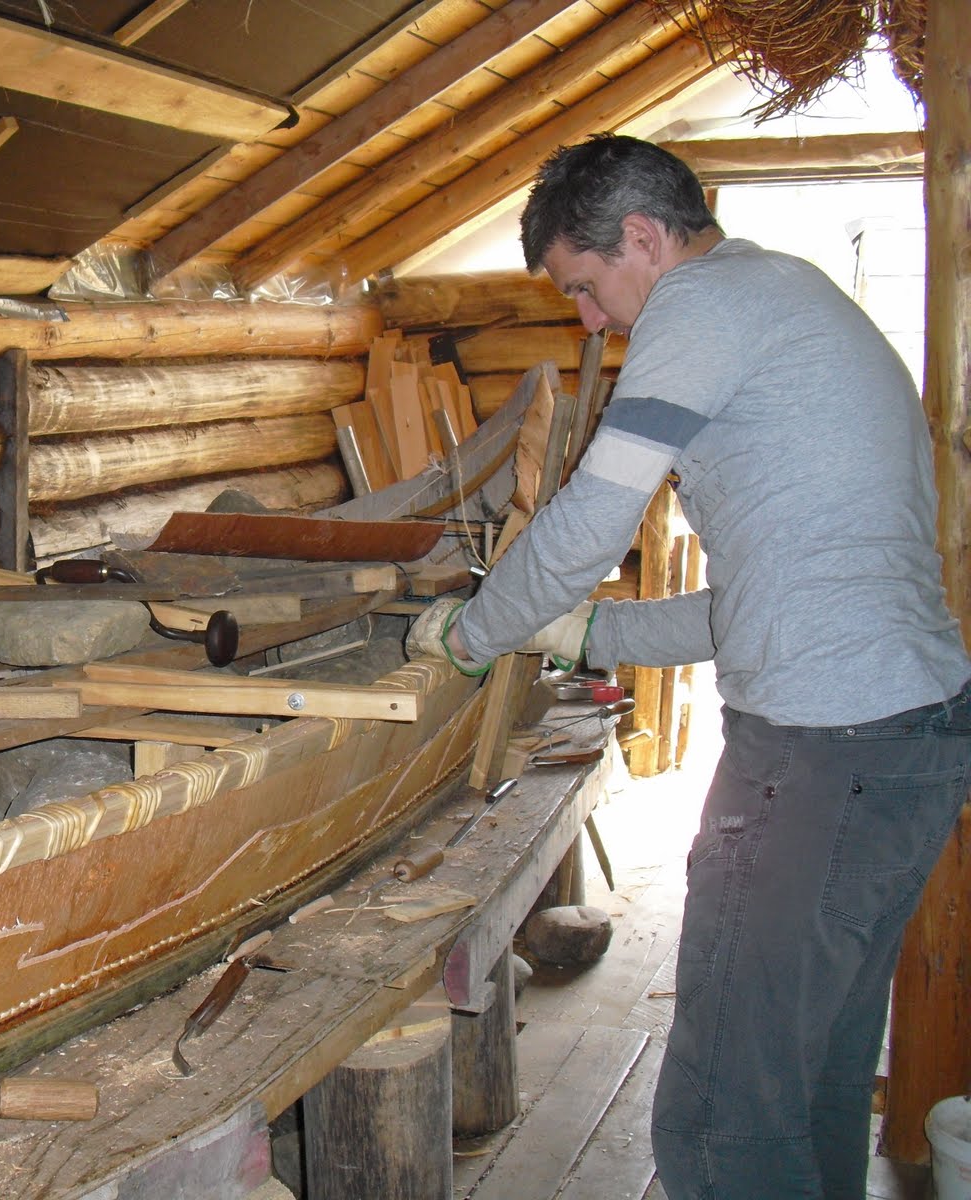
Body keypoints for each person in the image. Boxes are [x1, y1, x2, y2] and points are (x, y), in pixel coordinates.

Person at [411, 134, 971, 1199]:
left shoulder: (699, 305)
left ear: (641, 238)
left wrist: (471, 632)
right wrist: (586, 637)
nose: (589, 321)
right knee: (805, 1088)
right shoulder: (789, 295)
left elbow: (585, 527)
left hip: (820, 757)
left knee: (718, 1123)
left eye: (585, 287)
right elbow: (757, 604)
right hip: (907, 740)